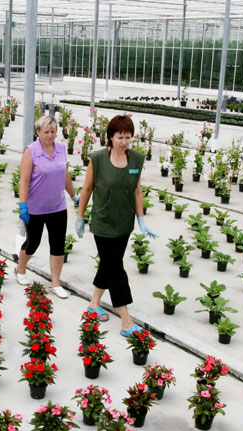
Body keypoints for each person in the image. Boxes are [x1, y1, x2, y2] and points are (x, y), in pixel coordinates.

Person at [75, 114, 158, 336]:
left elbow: (137, 190)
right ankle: (126, 320)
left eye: (128, 137)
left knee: (110, 264)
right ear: (110, 137)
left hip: (124, 222)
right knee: (116, 268)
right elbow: (87, 189)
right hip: (103, 222)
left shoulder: (136, 160)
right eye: (120, 137)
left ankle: (94, 303)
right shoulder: (98, 159)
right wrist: (80, 215)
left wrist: (141, 219)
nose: (124, 142)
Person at [15, 114, 78, 299]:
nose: (50, 135)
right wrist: (23, 205)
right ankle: (20, 269)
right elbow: (24, 180)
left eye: (53, 131)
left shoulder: (60, 149)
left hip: (57, 206)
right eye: (46, 131)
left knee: (58, 244)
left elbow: (64, 174)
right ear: (38, 132)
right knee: (33, 242)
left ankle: (55, 283)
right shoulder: (31, 151)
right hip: (36, 207)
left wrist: (74, 195)